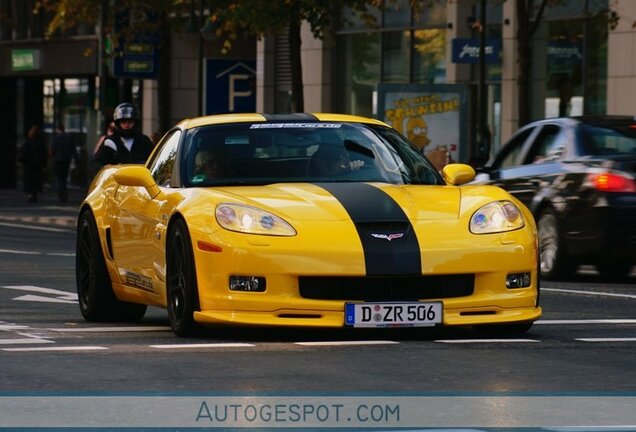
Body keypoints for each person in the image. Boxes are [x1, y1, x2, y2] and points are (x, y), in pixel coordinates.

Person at [90, 103, 154, 178]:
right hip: (115, 183)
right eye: (123, 122)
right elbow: (95, 164)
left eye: (130, 122)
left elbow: (154, 162)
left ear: (135, 122)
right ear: (118, 124)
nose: (127, 125)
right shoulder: (110, 142)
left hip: (140, 183)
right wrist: (107, 169)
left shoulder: (144, 141)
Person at [19, 124, 48, 203]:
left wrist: (22, 161)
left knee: (29, 180)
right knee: (36, 180)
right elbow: (44, 154)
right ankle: (34, 194)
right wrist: (44, 164)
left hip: (29, 164)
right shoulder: (40, 143)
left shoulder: (28, 142)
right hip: (37, 164)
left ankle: (30, 194)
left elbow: (23, 153)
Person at [50, 123, 77, 203]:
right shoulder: (69, 138)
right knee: (64, 178)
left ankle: (61, 194)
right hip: (66, 160)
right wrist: (76, 160)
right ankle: (64, 193)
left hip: (58, 160)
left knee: (59, 178)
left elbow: (52, 150)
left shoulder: (56, 138)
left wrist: (51, 158)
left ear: (58, 129)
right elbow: (73, 150)